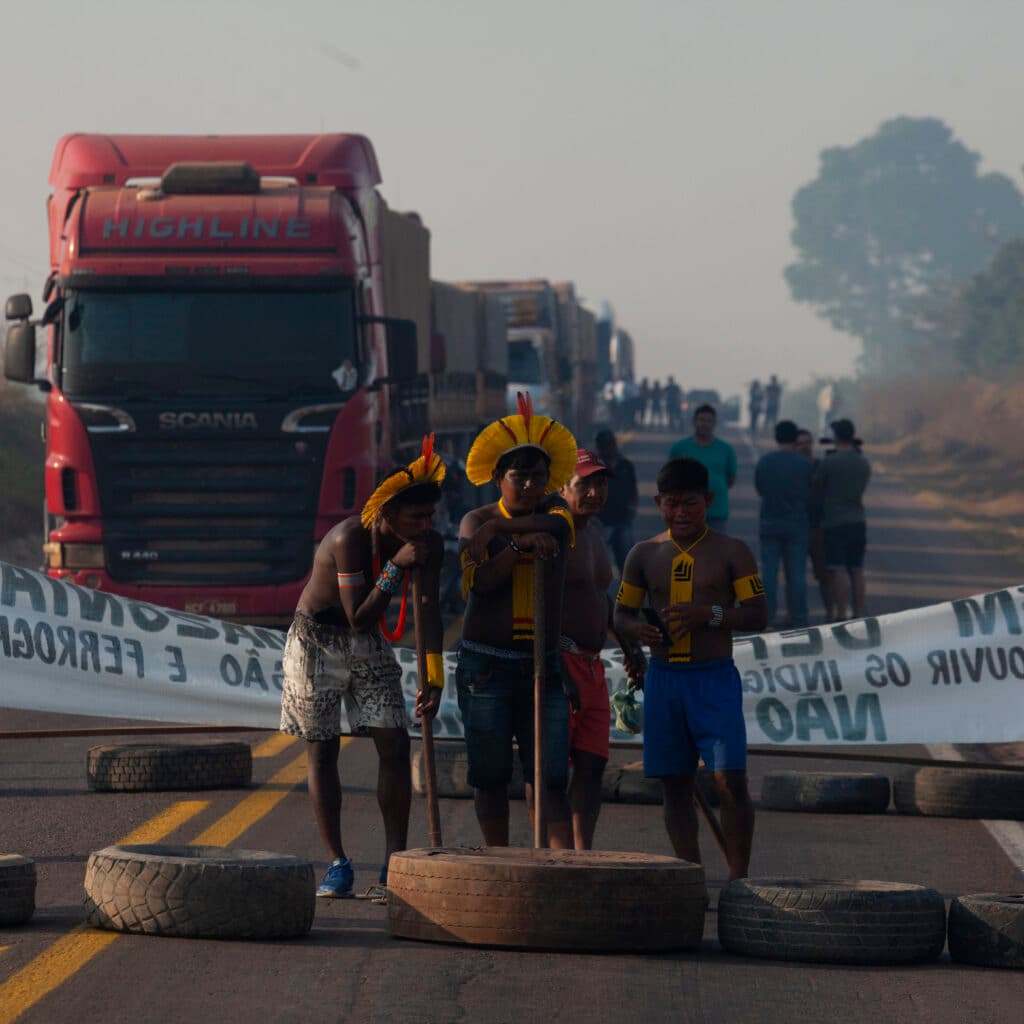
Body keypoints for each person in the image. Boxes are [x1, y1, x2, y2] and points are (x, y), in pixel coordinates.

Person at [280, 436, 446, 899]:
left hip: (366, 644)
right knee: (323, 750)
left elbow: (429, 611)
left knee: (394, 743)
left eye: (430, 516)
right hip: (317, 640)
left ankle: (394, 867)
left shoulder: (428, 543)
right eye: (415, 518)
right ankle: (337, 863)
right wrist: (395, 567)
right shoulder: (349, 538)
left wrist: (435, 677)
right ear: (388, 516)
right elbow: (357, 615)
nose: (425, 526)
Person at [613, 457, 767, 879]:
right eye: (672, 504)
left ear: (710, 501)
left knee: (729, 782)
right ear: (658, 502)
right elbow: (621, 615)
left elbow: (757, 614)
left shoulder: (733, 551)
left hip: (713, 680)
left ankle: (739, 881)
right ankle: (689, 876)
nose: (681, 513)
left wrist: (709, 615)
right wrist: (638, 632)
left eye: (691, 504)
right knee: (675, 787)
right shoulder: (643, 554)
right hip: (664, 682)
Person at [457, 393, 579, 848]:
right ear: (496, 478)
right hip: (486, 666)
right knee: (490, 777)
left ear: (551, 479)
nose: (529, 485)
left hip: (542, 666)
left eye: (538, 476)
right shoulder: (474, 520)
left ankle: (560, 868)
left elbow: (558, 529)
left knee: (549, 776)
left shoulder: (557, 516)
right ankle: (498, 861)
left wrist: (503, 533)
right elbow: (483, 582)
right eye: (519, 476)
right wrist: (518, 546)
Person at [559, 449, 646, 849]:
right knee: (552, 770)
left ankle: (582, 853)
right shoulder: (554, 531)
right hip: (559, 662)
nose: (594, 492)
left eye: (600, 484)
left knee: (592, 766)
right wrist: (553, 669)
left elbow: (600, 597)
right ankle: (556, 857)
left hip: (593, 667)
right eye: (585, 484)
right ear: (562, 487)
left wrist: (628, 647)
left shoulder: (594, 530)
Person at [754, 420, 814, 628]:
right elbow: (811, 492)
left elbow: (760, 489)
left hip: (770, 521)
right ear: (795, 438)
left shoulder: (765, 462)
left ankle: (767, 616)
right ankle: (799, 617)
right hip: (797, 522)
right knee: (797, 573)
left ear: (776, 437)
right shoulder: (805, 464)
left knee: (769, 573)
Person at [815, 419, 871, 620]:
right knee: (856, 569)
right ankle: (858, 613)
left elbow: (817, 487)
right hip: (857, 520)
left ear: (836, 437)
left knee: (837, 569)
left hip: (835, 521)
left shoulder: (830, 462)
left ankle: (840, 614)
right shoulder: (862, 462)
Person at [668, 404, 737, 532]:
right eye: (701, 420)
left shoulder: (726, 449)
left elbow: (731, 479)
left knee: (715, 551)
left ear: (714, 423)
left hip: (717, 512)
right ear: (694, 422)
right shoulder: (679, 448)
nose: (705, 424)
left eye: (709, 421)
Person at [795, 428, 830, 617]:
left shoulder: (820, 466)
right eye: (800, 443)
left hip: (818, 527)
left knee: (824, 575)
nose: (804, 447)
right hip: (797, 527)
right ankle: (795, 614)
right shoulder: (790, 468)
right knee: (795, 575)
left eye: (807, 442)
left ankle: (831, 613)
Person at [594, 428, 638, 577]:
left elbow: (633, 490)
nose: (609, 447)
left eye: (610, 443)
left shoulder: (626, 465)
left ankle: (626, 597)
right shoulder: (595, 468)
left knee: (627, 565)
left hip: (622, 520)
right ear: (599, 447)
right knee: (597, 564)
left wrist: (632, 510)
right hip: (601, 521)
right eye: (604, 444)